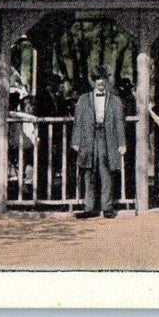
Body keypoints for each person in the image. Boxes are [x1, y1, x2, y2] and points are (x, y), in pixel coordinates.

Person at [71, 66, 127, 219]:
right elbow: (78, 121)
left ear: (107, 82)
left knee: (106, 171)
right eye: (97, 81)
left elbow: (120, 123)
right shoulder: (84, 99)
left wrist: (122, 143)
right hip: (89, 138)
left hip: (107, 138)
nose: (100, 84)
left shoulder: (115, 100)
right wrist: (76, 140)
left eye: (103, 81)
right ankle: (89, 207)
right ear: (93, 82)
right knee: (88, 172)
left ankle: (107, 206)